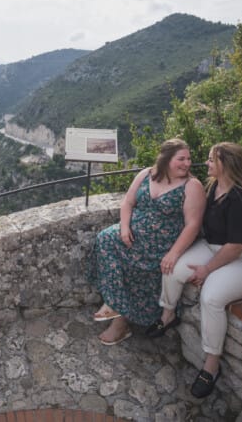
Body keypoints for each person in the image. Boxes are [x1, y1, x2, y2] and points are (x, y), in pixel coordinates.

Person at [147, 142, 242, 399]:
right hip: (215, 247)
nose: (205, 163)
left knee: (212, 297)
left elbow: (237, 246)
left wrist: (207, 270)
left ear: (225, 165)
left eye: (210, 160)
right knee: (172, 268)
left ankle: (211, 364)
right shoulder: (214, 188)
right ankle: (168, 316)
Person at [90, 138, 205, 346]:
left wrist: (174, 253)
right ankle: (114, 304)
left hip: (161, 244)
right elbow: (128, 202)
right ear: (166, 159)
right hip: (134, 235)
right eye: (181, 159)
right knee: (105, 239)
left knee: (133, 263)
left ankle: (119, 318)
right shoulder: (146, 174)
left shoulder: (192, 186)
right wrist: (124, 227)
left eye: (189, 159)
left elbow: (193, 225)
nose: (187, 163)